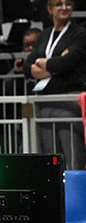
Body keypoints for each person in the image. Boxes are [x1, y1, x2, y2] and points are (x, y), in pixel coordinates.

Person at [23, 0, 85, 169]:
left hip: (68, 104)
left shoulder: (79, 34)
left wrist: (42, 62)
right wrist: (51, 63)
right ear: (50, 9)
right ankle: (56, 195)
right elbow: (27, 67)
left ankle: (76, 195)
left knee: (73, 159)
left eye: (68, 4)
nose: (64, 8)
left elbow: (66, 63)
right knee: (52, 162)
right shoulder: (45, 34)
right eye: (59, 4)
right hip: (45, 103)